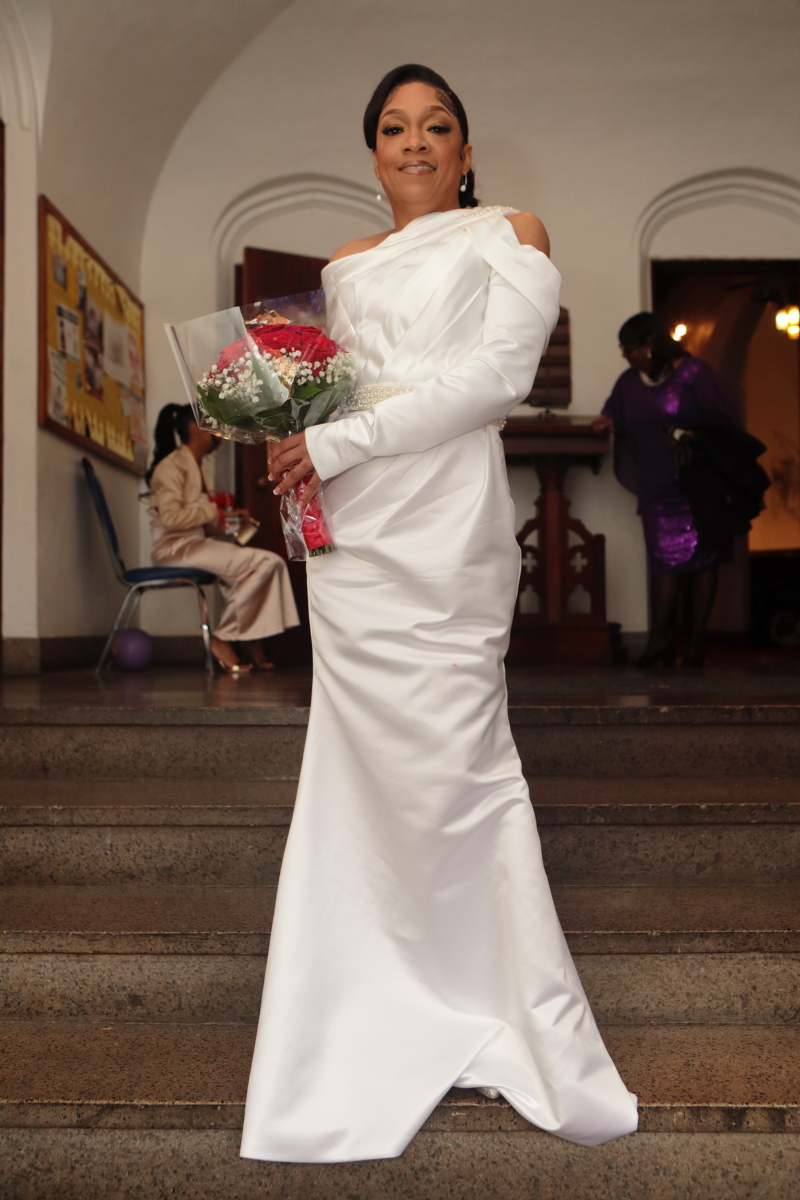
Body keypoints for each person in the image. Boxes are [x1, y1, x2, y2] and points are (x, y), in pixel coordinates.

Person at [241, 64, 637, 1163]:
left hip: (439, 525)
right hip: (354, 533)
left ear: (465, 149)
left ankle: (490, 994)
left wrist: (333, 441)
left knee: (461, 756)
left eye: (436, 127)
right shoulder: (341, 266)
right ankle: (362, 997)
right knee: (360, 761)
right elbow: (347, 387)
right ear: (371, 152)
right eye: (392, 128)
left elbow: (494, 378)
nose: (414, 142)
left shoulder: (510, 232)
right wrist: (297, 444)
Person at [594, 313, 751, 668]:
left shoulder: (694, 374)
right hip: (656, 488)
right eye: (624, 349)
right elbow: (614, 413)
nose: (626, 356)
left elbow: (725, 422)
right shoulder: (628, 382)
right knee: (663, 563)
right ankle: (659, 642)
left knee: (703, 560)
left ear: (651, 344)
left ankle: (695, 645)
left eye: (631, 348)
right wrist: (605, 423)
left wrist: (693, 435)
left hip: (697, 484)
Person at [146, 403, 299, 673]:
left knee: (269, 564)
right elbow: (171, 519)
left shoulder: (200, 469)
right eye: (210, 425)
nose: (216, 433)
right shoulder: (169, 467)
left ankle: (250, 640)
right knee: (264, 564)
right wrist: (212, 510)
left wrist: (230, 520)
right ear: (195, 428)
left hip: (193, 543)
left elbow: (204, 523)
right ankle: (223, 638)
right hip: (174, 547)